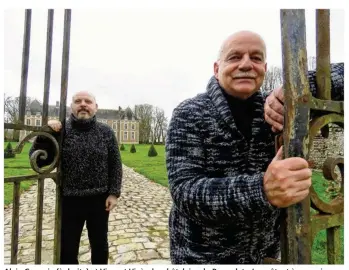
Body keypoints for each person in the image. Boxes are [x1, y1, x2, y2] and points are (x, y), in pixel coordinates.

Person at [165, 30, 343, 264]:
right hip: (202, 257)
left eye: (256, 58)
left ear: (265, 68)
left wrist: (299, 85)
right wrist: (262, 189)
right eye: (235, 57)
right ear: (217, 69)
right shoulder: (189, 113)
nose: (246, 64)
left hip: (265, 256)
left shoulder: (278, 108)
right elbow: (185, 192)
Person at [30, 91, 122, 264]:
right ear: (71, 106)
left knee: (100, 246)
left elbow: (115, 163)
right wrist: (45, 134)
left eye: (88, 101)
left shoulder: (106, 132)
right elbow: (39, 161)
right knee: (67, 249)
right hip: (70, 199)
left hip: (99, 200)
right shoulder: (60, 130)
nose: (83, 104)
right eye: (78, 101)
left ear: (95, 107)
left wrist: (114, 193)